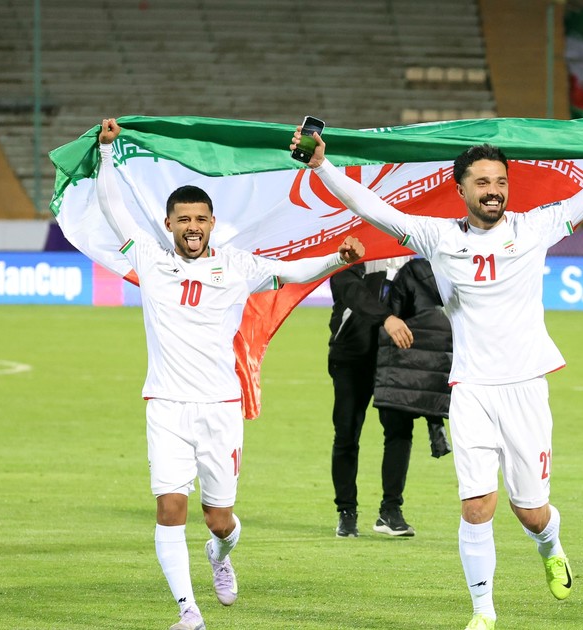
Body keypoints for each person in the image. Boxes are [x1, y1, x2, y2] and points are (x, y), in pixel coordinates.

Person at [293, 120, 583, 629]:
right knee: (476, 505)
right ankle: (483, 613)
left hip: (525, 388)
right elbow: (375, 209)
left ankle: (551, 545)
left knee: (531, 512)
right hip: (471, 390)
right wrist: (322, 166)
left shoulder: (535, 227)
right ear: (461, 190)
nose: (493, 190)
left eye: (500, 181)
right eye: (481, 182)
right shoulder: (437, 237)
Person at [95, 119, 365, 630]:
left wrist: (336, 258)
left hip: (221, 408)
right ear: (169, 224)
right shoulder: (149, 260)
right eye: (183, 219)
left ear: (212, 223)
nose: (192, 226)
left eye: (200, 218)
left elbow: (290, 272)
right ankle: (188, 612)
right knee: (169, 508)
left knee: (218, 520)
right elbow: (114, 210)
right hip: (167, 406)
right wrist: (107, 154)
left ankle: (220, 556)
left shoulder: (237, 266)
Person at [328, 256, 420, 537]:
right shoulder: (357, 243)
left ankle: (390, 511)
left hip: (395, 355)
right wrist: (386, 318)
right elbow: (347, 287)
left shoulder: (411, 244)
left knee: (400, 429)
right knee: (347, 433)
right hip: (352, 353)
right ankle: (346, 511)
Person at [371, 257, 455, 529]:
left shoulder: (411, 272)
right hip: (439, 372)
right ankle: (434, 420)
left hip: (402, 368)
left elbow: (390, 313)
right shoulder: (460, 270)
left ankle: (390, 509)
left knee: (397, 436)